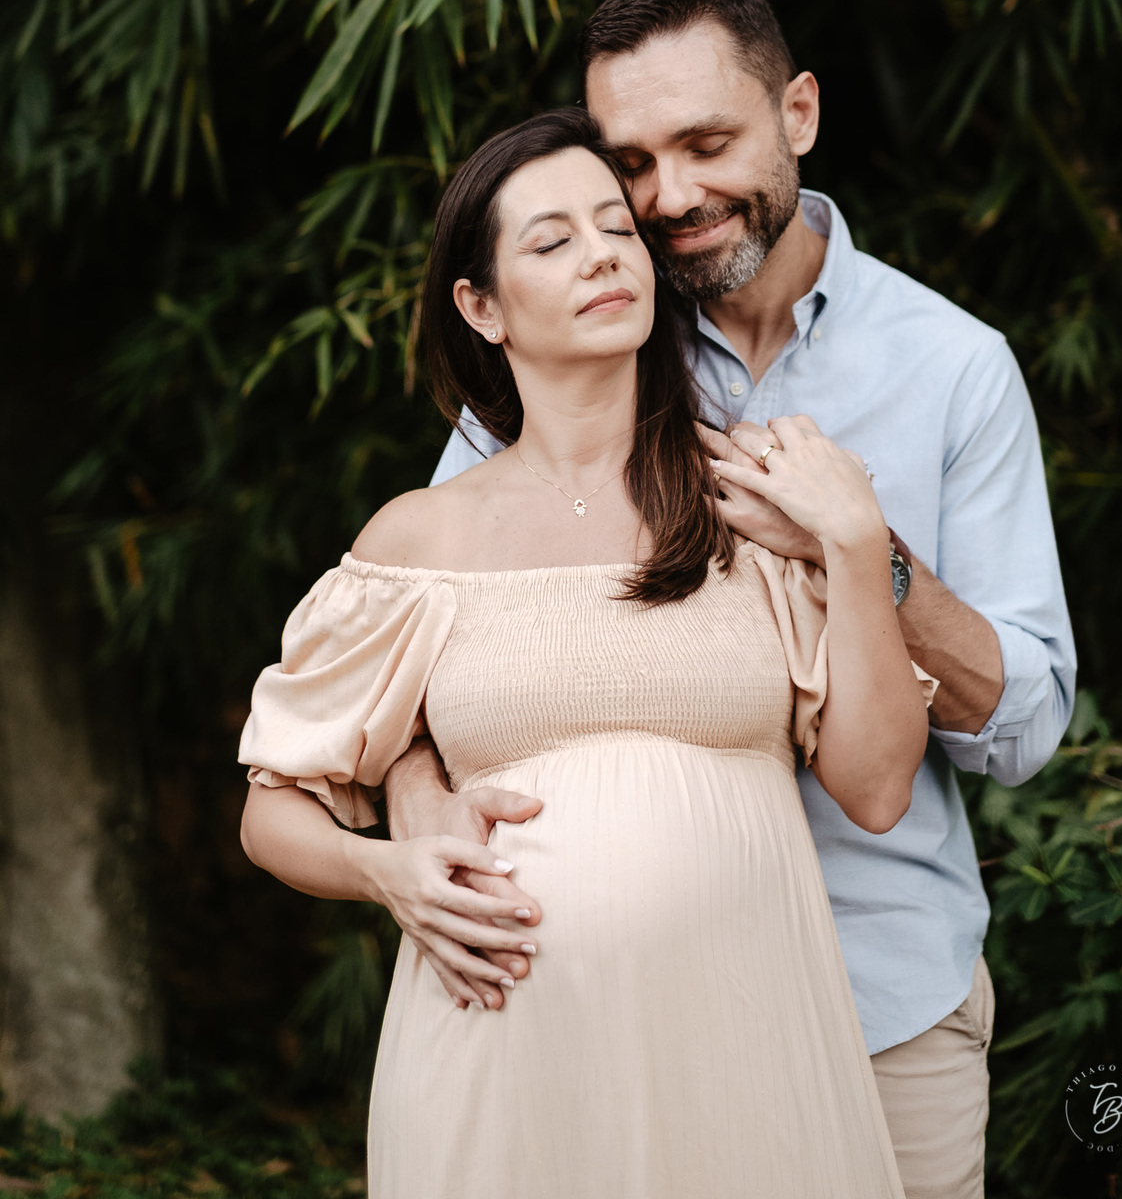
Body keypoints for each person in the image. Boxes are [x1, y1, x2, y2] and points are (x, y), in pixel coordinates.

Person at [390, 0, 1076, 1199]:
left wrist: (864, 553)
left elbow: (1022, 727)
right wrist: (413, 804)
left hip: (877, 1000)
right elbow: (421, 647)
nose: (669, 197)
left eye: (707, 144)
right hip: (596, 1013)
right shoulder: (576, 336)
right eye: (633, 164)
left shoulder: (953, 369)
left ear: (797, 113)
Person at [238, 109, 933, 1198]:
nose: (604, 255)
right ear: (481, 306)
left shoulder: (753, 501)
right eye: (552, 241)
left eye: (617, 229)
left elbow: (879, 787)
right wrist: (386, 874)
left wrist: (852, 544)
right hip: (503, 1053)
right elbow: (273, 809)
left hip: (744, 1047)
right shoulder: (420, 540)